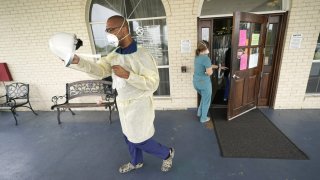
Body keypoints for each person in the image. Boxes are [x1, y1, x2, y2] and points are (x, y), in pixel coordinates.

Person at [68, 15, 174, 173]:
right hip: (123, 104)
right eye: (106, 30)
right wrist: (79, 61)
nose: (108, 33)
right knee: (128, 136)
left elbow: (153, 84)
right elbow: (99, 70)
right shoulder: (114, 55)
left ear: (124, 28)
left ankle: (167, 153)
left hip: (140, 105)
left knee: (140, 139)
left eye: (111, 30)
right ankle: (136, 161)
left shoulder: (142, 55)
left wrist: (128, 75)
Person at [193, 40, 218, 128]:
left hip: (196, 83)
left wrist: (217, 66)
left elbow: (206, 66)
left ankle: (199, 112)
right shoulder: (206, 58)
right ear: (205, 48)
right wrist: (209, 70)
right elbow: (210, 72)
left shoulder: (197, 57)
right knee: (207, 100)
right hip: (204, 83)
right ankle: (203, 118)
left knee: (204, 97)